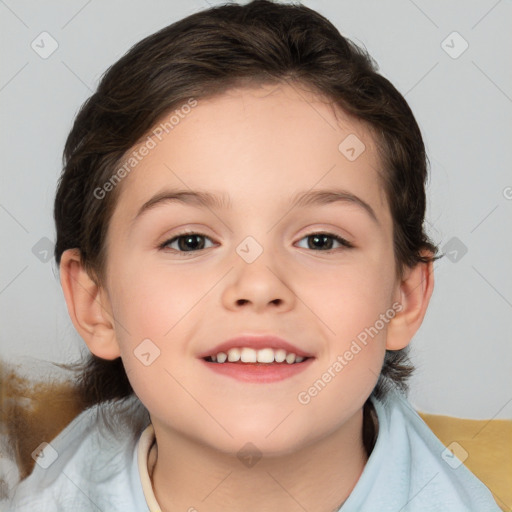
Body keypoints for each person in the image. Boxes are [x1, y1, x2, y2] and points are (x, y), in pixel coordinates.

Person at [4, 1, 501, 510]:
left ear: (404, 297)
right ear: (96, 302)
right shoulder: (46, 485)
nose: (259, 285)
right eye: (190, 241)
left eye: (321, 240)